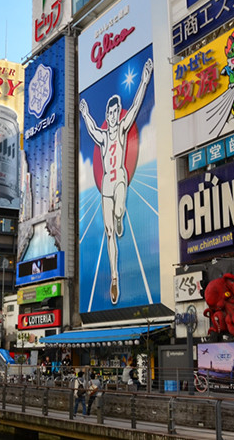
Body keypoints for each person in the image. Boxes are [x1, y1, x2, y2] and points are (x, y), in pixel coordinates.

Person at [78, 57, 153, 304]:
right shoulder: (101, 135)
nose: (111, 115)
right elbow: (89, 128)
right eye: (109, 112)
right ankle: (113, 277)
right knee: (110, 233)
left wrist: (144, 79)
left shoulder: (121, 129)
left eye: (114, 111)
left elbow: (136, 105)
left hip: (120, 178)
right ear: (106, 115)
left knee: (119, 209)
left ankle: (120, 215)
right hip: (105, 188)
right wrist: (86, 113)